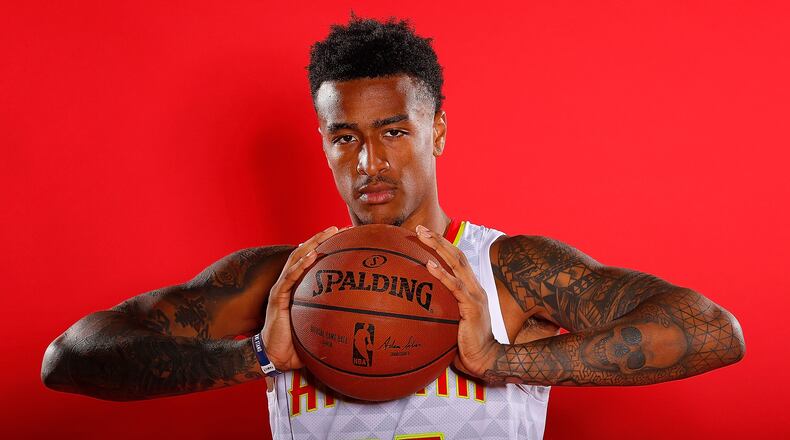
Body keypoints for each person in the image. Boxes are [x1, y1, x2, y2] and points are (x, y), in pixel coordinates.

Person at [40, 16, 746, 440]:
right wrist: (257, 356)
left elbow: (714, 330)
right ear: (321, 142)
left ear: (437, 131)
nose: (370, 161)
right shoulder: (279, 282)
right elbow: (68, 359)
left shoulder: (508, 270)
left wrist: (503, 363)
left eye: (394, 131)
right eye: (344, 137)